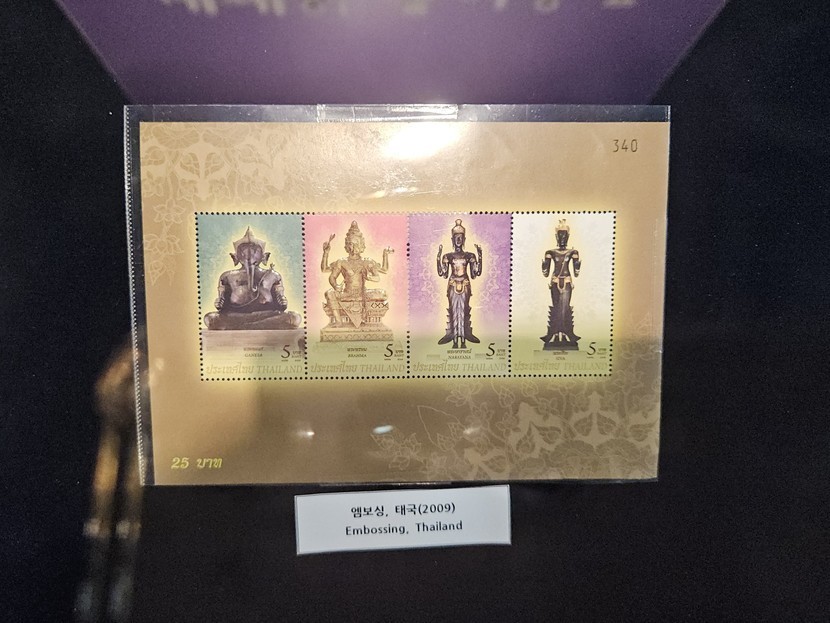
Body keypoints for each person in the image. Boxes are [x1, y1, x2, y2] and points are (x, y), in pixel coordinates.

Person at [204, 227, 301, 330]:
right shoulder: (227, 276)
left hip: (266, 314)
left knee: (294, 318)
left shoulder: (273, 275)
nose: (249, 257)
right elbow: (222, 306)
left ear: (264, 256)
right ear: (235, 257)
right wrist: (219, 303)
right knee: (210, 318)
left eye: (255, 252)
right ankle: (260, 325)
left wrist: (282, 302)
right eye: (244, 253)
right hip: (236, 315)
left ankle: (243, 326)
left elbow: (280, 305)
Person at [437, 219, 482, 349]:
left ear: (464, 239)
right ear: (452, 239)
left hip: (465, 284)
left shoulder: (469, 255)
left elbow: (475, 274)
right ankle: (453, 340)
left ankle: (464, 340)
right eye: (456, 237)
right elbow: (443, 274)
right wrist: (438, 258)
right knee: (453, 310)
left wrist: (480, 256)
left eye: (460, 237)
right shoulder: (448, 256)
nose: (458, 240)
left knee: (464, 310)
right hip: (452, 284)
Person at [541, 219, 580, 349]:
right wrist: (544, 265)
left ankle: (567, 333)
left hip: (567, 281)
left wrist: (577, 264)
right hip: (555, 281)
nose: (562, 238)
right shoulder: (550, 252)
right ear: (556, 236)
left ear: (568, 236)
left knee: (565, 308)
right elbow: (546, 273)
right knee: (557, 307)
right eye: (560, 235)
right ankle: (554, 334)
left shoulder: (573, 252)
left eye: (564, 235)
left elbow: (576, 273)